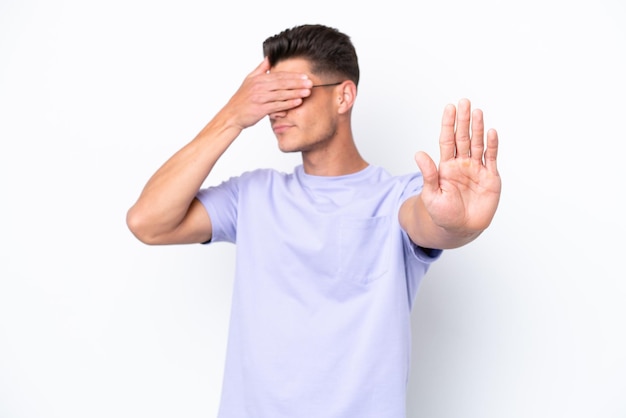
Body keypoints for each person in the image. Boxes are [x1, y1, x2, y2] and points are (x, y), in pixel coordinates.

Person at [126, 23, 501, 418]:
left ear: (343, 96)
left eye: (292, 94)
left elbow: (431, 222)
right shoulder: (252, 196)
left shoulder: (396, 197)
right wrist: (232, 117)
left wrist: (458, 223)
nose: (277, 111)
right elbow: (148, 222)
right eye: (269, 98)